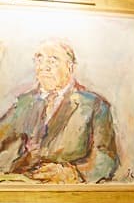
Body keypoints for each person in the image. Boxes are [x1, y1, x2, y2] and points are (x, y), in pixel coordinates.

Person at [0, 39, 120, 184]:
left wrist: (74, 173)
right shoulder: (24, 103)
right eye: (39, 60)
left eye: (53, 61)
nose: (44, 67)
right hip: (22, 185)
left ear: (70, 67)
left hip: (67, 189)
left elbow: (106, 158)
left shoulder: (94, 105)